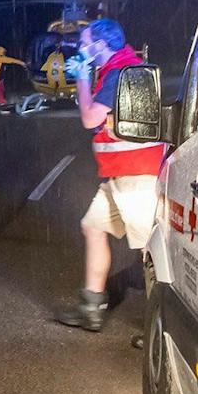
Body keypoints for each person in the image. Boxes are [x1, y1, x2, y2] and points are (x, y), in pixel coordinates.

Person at [55, 18, 167, 331]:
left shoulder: (119, 73)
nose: (80, 47)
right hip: (122, 174)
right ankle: (91, 309)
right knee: (92, 227)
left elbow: (90, 119)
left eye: (85, 41)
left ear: (101, 45)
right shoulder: (118, 70)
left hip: (136, 176)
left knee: (150, 249)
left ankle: (162, 328)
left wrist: (80, 77)